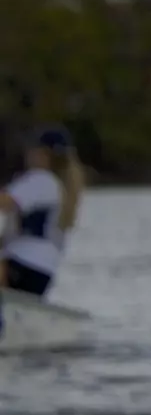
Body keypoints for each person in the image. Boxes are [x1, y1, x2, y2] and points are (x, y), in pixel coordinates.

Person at [5, 126, 85, 298]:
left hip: (22, 264)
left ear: (43, 154)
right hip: (44, 271)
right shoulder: (62, 188)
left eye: (33, 149)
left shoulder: (41, 180)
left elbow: (5, 202)